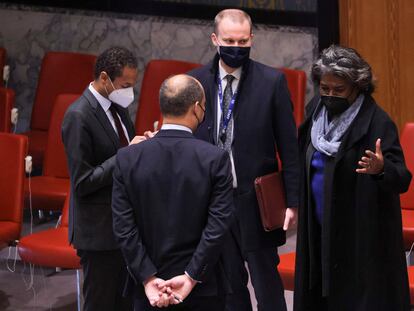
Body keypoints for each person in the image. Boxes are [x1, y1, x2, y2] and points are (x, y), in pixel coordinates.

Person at [188, 8, 300, 311]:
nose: (236, 48)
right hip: (212, 201)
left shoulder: (271, 82)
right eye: (229, 41)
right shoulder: (194, 82)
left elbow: (289, 147)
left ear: (251, 39)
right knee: (229, 286)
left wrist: (293, 201)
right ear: (215, 39)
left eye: (242, 42)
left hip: (255, 200)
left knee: (266, 284)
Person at [294, 45, 412, 310]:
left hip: (360, 234)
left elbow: (403, 178)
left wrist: (381, 169)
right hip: (318, 226)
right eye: (325, 88)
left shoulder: (376, 122)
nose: (330, 95)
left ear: (357, 87)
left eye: (339, 90)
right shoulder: (315, 112)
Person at [112, 74, 235, 310]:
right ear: (197, 108)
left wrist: (148, 278)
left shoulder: (127, 158)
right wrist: (191, 276)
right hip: (202, 289)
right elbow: (218, 224)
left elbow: (123, 227)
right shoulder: (215, 159)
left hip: (147, 291)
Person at [62, 46, 143, 311]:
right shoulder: (78, 116)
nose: (129, 91)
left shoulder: (118, 107)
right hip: (97, 231)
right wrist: (125, 154)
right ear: (105, 78)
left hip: (122, 226)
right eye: (125, 85)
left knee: (123, 304)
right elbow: (82, 182)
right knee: (100, 304)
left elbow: (125, 149)